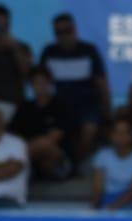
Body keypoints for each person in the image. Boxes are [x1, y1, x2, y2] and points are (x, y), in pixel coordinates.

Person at [39, 13, 110, 163]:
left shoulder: (89, 50)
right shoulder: (49, 52)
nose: (64, 36)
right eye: (59, 32)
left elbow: (102, 83)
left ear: (75, 30)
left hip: (87, 103)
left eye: (67, 31)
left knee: (89, 130)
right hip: (58, 105)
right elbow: (41, 82)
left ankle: (78, 163)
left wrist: (107, 110)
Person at [10, 65, 70, 182]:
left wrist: (25, 149)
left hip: (58, 158)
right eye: (36, 83)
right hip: (32, 159)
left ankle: (20, 168)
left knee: (44, 146)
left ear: (50, 83)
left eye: (44, 82)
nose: (40, 86)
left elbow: (52, 139)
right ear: (31, 85)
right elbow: (14, 135)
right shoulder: (24, 108)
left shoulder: (60, 106)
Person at [0, 3, 33, 118]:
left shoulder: (22, 47)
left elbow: (28, 73)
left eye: (2, 26)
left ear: (8, 25)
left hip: (16, 105)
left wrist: (15, 49)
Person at [91, 118, 132, 211]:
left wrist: (113, 207)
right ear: (111, 135)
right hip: (107, 198)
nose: (120, 136)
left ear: (131, 135)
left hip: (131, 201)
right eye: (117, 132)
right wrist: (93, 210)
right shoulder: (102, 155)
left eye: (124, 132)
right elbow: (98, 187)